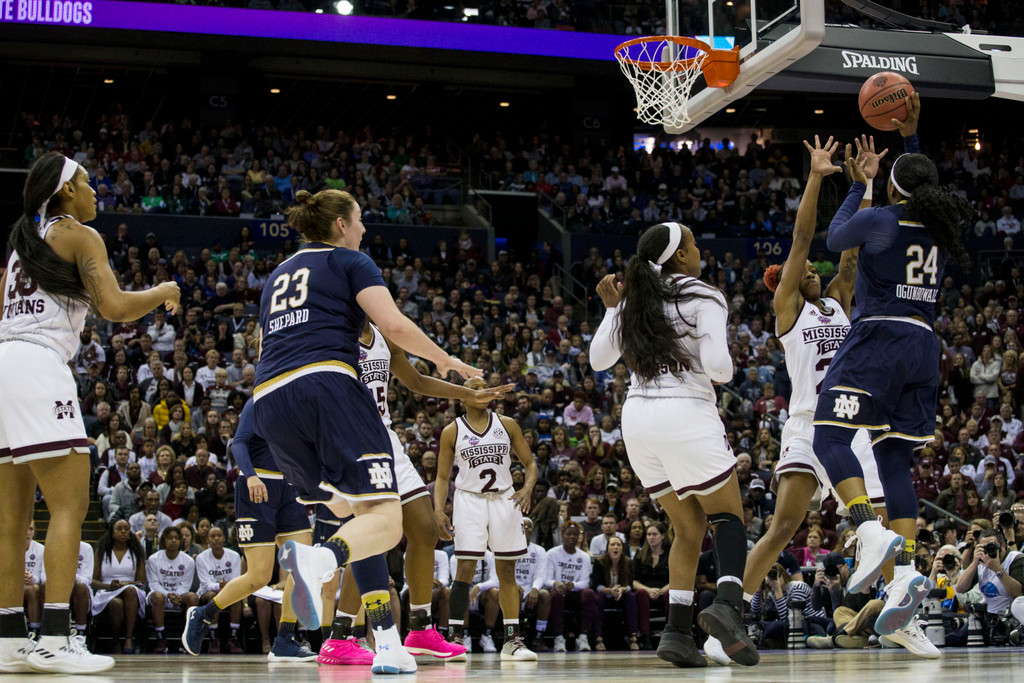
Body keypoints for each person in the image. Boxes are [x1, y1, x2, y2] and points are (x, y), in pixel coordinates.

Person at [252, 188, 478, 675]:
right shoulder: (350, 262)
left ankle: (389, 642)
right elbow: (395, 325)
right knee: (387, 521)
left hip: (270, 400)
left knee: (359, 519)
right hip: (327, 389)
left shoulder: (278, 275)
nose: (363, 230)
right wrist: (448, 360)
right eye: (359, 220)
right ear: (339, 225)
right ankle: (319, 562)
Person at [0, 152, 178, 674]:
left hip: (4, 364)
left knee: (10, 521)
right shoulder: (78, 234)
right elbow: (115, 307)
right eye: (85, 182)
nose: (94, 189)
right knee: (69, 507)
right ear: (64, 193)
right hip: (38, 365)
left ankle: (8, 640)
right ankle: (55, 638)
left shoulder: (18, 246)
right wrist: (163, 291)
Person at [812, 94, 972, 642]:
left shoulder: (881, 217)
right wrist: (911, 140)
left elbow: (834, 239)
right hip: (927, 347)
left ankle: (866, 529)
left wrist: (859, 184)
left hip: (880, 337)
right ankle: (903, 582)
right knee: (893, 457)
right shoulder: (941, 226)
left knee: (828, 438)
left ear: (895, 186)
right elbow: (923, 183)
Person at [590, 221, 758, 667]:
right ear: (681, 256)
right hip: (684, 412)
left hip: (638, 420)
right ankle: (727, 604)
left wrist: (612, 310)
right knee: (727, 516)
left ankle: (678, 631)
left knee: (687, 528)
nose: (699, 249)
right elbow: (720, 369)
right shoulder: (704, 294)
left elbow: (598, 360)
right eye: (694, 243)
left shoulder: (635, 298)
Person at [741, 135, 888, 639]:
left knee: (881, 528)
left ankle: (899, 615)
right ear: (782, 281)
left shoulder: (838, 300)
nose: (808, 267)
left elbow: (852, 251)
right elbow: (804, 238)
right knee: (783, 526)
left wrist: (866, 186)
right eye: (797, 269)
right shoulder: (789, 311)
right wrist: (815, 177)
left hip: (852, 423)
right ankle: (732, 612)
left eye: (807, 269)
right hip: (807, 422)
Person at [321, 324, 510, 666]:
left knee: (424, 528)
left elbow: (417, 382)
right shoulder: (331, 336)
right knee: (373, 537)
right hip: (352, 443)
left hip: (387, 440)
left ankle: (420, 630)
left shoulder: (383, 337)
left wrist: (465, 394)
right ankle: (339, 636)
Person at [183, 397, 315, 662]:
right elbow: (239, 442)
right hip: (257, 486)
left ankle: (284, 640)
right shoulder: (260, 400)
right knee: (259, 576)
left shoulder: (301, 402)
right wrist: (251, 475)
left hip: (290, 488)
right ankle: (203, 614)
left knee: (304, 566)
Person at [435, 377, 539, 661]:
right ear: (462, 396)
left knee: (507, 571)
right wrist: (438, 509)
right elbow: (443, 477)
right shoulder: (451, 431)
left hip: (504, 497)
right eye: (473, 387)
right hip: (469, 499)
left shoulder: (507, 424)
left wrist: (527, 489)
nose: (480, 391)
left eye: (484, 386)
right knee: (465, 570)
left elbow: (530, 463)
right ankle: (455, 638)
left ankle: (512, 641)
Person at [90, 520, 147, 654]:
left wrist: (125, 584)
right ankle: (115, 640)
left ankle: (128, 636)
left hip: (131, 588)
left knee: (130, 591)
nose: (123, 531)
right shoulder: (101, 550)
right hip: (107, 590)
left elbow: (141, 581)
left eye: (126, 529)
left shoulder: (136, 551)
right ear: (112, 532)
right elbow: (92, 580)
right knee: (116, 604)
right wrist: (109, 586)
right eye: (119, 529)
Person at [541, 521, 598, 652]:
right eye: (568, 534)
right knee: (556, 594)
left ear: (579, 537)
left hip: (575, 593)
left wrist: (573, 585)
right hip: (558, 592)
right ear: (562, 535)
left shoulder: (584, 557)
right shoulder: (552, 553)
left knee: (589, 593)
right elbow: (546, 579)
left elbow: (585, 582)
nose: (572, 537)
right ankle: (559, 638)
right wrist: (556, 583)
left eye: (575, 535)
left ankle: (583, 636)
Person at [146, 526, 198, 653]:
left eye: (176, 538)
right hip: (159, 595)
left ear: (181, 541)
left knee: (193, 597)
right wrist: (168, 594)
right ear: (164, 541)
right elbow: (153, 583)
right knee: (157, 596)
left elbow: (186, 585)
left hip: (179, 596)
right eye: (170, 538)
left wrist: (175, 595)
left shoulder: (188, 561)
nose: (173, 541)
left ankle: (187, 639)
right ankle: (161, 638)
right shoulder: (153, 559)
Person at [194, 526, 243, 654]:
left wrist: (226, 588)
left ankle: (233, 637)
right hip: (208, 593)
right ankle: (213, 638)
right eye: (212, 536)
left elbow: (236, 580)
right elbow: (205, 583)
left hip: (229, 590)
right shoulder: (201, 558)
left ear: (224, 538)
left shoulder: (234, 556)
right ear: (207, 540)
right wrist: (219, 587)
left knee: (236, 598)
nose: (216, 538)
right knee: (212, 596)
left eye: (219, 535)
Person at [592, 536, 639, 651]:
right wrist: (610, 590)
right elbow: (596, 585)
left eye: (618, 545)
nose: (615, 547)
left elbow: (630, 585)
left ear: (622, 549)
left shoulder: (628, 562)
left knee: (631, 597)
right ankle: (598, 638)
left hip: (621, 596)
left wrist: (622, 590)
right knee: (598, 598)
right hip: (605, 595)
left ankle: (633, 637)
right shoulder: (600, 562)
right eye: (612, 545)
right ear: (607, 548)